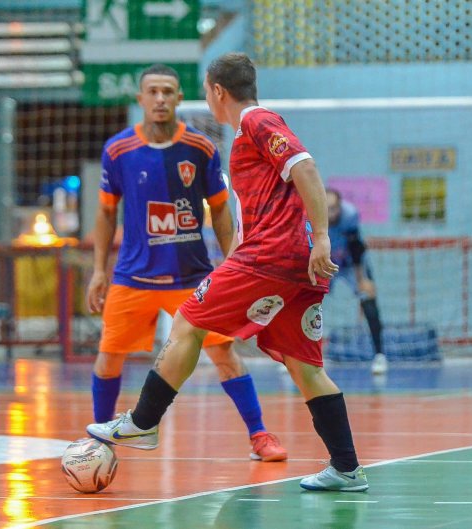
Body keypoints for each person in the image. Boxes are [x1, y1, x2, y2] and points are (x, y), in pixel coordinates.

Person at [87, 52, 368, 492]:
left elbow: (306, 167)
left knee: (186, 322)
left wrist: (323, 237)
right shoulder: (245, 135)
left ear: (218, 92)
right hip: (289, 265)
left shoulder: (256, 121)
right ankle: (347, 467)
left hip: (269, 257)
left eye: (205, 93)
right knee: (304, 367)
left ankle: (143, 422)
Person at [85, 64, 287, 462]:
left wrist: (233, 263)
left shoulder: (201, 147)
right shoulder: (118, 150)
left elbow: (221, 209)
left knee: (225, 355)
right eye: (153, 92)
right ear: (140, 99)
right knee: (108, 358)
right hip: (133, 276)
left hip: (191, 277)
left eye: (168, 91)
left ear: (179, 98)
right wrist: (98, 271)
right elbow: (106, 213)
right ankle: (100, 442)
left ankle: (259, 435)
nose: (160, 99)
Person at [325, 188, 387, 374]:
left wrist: (362, 280)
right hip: (324, 262)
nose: (330, 213)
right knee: (303, 302)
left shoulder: (350, 215)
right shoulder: (311, 214)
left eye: (334, 208)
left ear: (340, 207)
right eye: (326, 208)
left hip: (350, 264)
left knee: (368, 298)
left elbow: (356, 248)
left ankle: (379, 355)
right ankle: (294, 357)